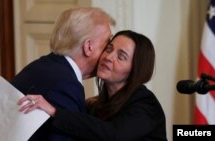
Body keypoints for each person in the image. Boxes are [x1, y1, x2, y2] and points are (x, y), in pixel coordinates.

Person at [19, 30, 168, 141]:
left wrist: (55, 111)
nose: (108, 57)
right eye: (109, 49)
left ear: (136, 70)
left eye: (121, 57)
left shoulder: (147, 105)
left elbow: (113, 134)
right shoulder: (96, 105)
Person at [11, 7, 115, 141]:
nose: (109, 55)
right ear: (88, 47)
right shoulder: (66, 85)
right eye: (107, 45)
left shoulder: (39, 66)